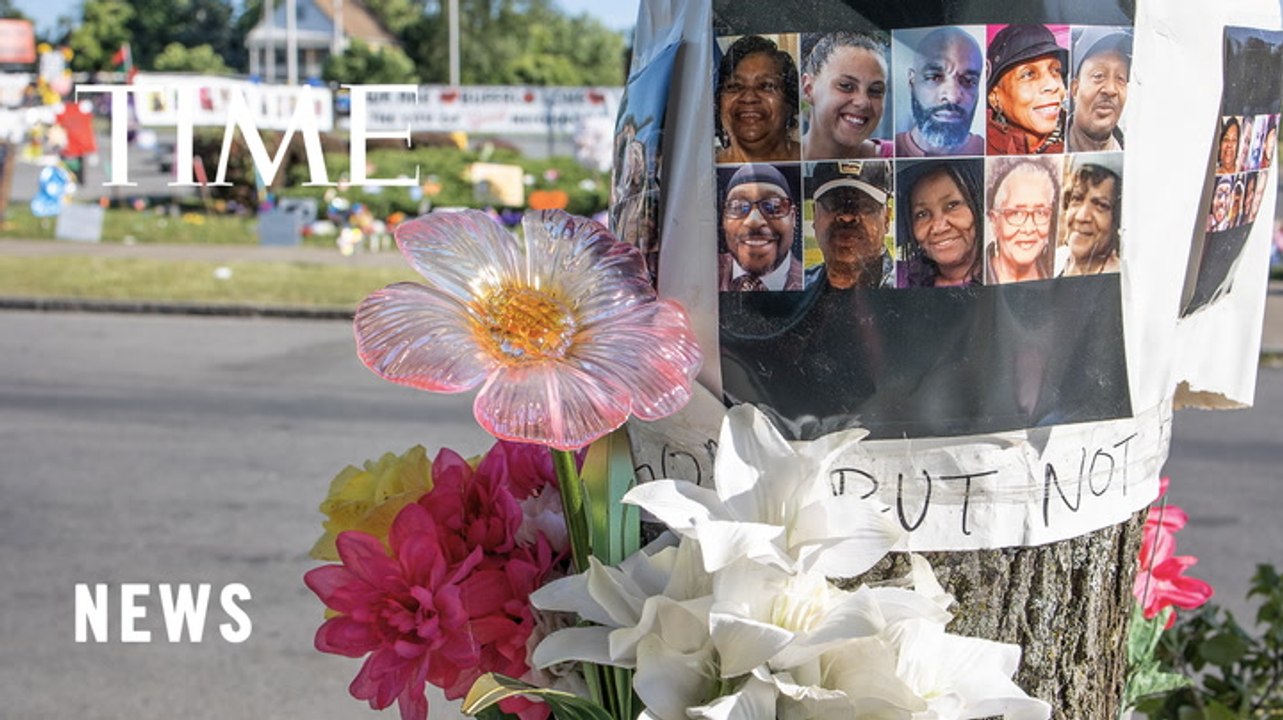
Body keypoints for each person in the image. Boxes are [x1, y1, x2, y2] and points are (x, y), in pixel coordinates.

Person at [895, 27, 986, 157]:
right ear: (912, 82)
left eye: (968, 81)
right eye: (934, 77)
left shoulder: (986, 151)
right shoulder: (892, 149)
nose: (952, 97)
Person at [801, 32, 892, 160]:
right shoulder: (780, 157)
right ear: (808, 89)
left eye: (875, 90)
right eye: (846, 86)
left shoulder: (898, 154)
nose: (863, 102)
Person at [805, 160, 895, 289]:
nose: (847, 217)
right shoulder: (800, 287)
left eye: (864, 205)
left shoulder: (910, 287)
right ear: (815, 215)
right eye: (832, 202)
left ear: (886, 218)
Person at [715, 35, 801, 163]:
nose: (749, 98)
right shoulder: (703, 173)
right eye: (735, 86)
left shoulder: (817, 162)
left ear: (789, 103)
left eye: (766, 86)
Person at [718, 164, 804, 291]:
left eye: (773, 206)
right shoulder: (703, 272)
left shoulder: (812, 282)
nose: (754, 221)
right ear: (724, 220)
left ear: (793, 217)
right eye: (737, 207)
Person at [898, 160, 984, 286]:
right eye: (922, 214)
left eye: (952, 205)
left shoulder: (1007, 274)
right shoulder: (901, 279)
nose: (939, 227)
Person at [985, 24, 1067, 155]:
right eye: (1028, 74)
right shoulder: (980, 150)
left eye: (1056, 70)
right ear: (995, 98)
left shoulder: (1075, 145)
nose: (1052, 85)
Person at [986, 156, 1059, 282]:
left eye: (1041, 213)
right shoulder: (981, 276)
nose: (1029, 228)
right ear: (995, 221)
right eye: (1016, 213)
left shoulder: (1058, 275)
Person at [1066, 27, 1131, 152]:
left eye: (1120, 78)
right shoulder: (1047, 151)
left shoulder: (1133, 157)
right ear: (1075, 89)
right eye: (1098, 76)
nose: (1111, 90)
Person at [1059, 158, 1122, 276]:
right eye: (1076, 198)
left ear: (1117, 218)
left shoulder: (1120, 278)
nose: (1081, 217)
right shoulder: (1053, 263)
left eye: (1101, 205)